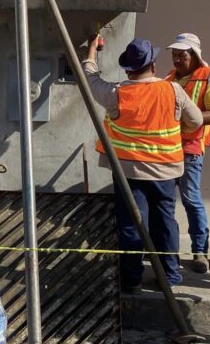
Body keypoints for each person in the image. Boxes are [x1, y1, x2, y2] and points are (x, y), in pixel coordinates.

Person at [85, 35, 203, 294]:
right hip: (166, 171)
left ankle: (131, 279)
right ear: (153, 65)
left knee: (132, 223)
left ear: (128, 68)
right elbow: (196, 121)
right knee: (165, 221)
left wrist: (92, 51)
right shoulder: (173, 90)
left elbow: (89, 80)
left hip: (130, 172)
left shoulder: (117, 93)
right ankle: (169, 276)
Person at [166, 32, 210, 273]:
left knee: (191, 199)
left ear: (194, 55)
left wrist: (183, 120)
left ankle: (199, 251)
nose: (177, 60)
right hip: (167, 148)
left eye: (181, 55)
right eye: (174, 55)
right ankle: (167, 252)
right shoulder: (169, 78)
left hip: (191, 148)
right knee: (166, 203)